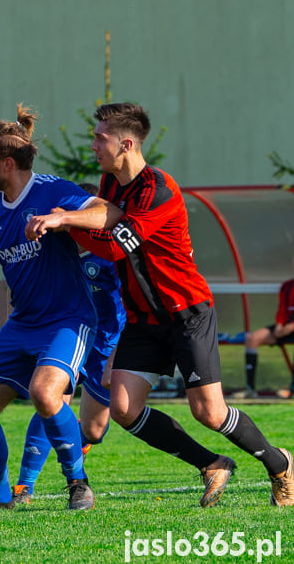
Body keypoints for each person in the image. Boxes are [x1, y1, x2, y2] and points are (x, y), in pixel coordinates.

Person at [25, 102, 294, 507]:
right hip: (142, 317)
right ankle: (211, 465)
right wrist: (69, 219)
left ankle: (281, 465)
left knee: (209, 412)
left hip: (187, 313)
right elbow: (101, 217)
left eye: (101, 137)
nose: (93, 143)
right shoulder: (111, 183)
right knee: (124, 408)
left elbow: (116, 246)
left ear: (127, 143)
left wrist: (63, 223)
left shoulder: (158, 188)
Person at [0, 104, 111, 512]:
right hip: (21, 323)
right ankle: (0, 497)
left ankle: (78, 483)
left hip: (68, 320)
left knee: (46, 393)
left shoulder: (52, 191)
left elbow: (108, 213)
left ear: (7, 164)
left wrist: (63, 220)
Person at [12, 182, 125, 504]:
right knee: (50, 398)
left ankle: (76, 437)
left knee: (94, 430)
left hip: (106, 342)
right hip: (71, 333)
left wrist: (120, 351)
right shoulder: (53, 250)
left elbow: (131, 305)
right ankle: (24, 486)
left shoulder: (110, 255)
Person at [244, 261, 294, 397]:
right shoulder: (287, 286)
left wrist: (291, 326)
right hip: (285, 327)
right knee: (252, 338)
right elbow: (282, 310)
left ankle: (291, 389)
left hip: (291, 327)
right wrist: (279, 325)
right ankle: (250, 389)